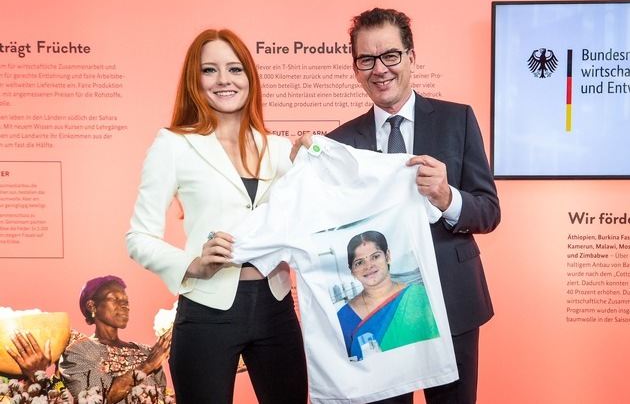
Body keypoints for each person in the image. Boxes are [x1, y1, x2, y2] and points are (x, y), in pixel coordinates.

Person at [327, 8, 501, 404]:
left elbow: (489, 211)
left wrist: (447, 197)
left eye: (390, 55)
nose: (380, 69)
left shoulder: (457, 120)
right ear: (355, 69)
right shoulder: (339, 144)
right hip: (378, 312)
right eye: (366, 59)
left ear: (411, 57)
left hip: (452, 302)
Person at [125, 28, 308, 404]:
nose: (224, 79)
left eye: (235, 69)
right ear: (195, 80)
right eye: (210, 70)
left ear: (250, 77)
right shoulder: (173, 145)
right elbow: (138, 238)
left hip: (276, 306)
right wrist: (193, 264)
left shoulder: (279, 149)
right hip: (207, 311)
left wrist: (310, 170)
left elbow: (306, 223)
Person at [58, 275, 172, 404]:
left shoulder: (146, 351)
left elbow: (161, 395)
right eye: (115, 298)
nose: (125, 305)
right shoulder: (79, 351)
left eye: (126, 301)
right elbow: (94, 398)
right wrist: (148, 365)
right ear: (92, 306)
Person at [337, 231, 439, 361]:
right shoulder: (343, 318)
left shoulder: (419, 296)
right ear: (352, 270)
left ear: (387, 255)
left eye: (375, 257)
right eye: (359, 262)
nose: (369, 266)